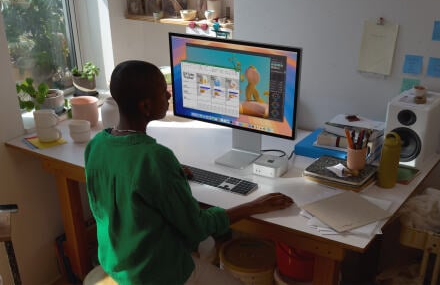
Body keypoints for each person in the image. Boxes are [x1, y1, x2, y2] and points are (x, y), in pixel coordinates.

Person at [84, 60, 294, 284]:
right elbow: (197, 227)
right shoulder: (155, 158)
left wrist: (169, 176)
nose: (168, 95)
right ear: (145, 106)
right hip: (154, 274)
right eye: (162, 91)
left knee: (206, 248)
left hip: (117, 262)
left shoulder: (97, 145)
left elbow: (128, 185)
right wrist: (253, 206)